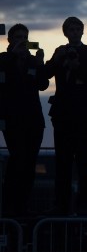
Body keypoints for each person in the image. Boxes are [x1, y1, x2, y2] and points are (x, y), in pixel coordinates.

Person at [44, 17, 87, 215]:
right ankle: (61, 204)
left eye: (78, 29)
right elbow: (45, 74)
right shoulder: (60, 52)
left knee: (86, 161)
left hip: (85, 115)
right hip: (63, 115)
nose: (75, 32)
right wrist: (57, 59)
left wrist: (78, 66)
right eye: (71, 29)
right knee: (63, 162)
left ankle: (85, 204)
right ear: (66, 32)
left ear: (83, 31)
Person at [0, 24, 49, 217]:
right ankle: (9, 204)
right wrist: (14, 55)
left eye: (25, 37)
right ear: (9, 40)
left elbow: (43, 85)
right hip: (12, 119)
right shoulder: (3, 59)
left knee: (29, 163)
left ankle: (22, 205)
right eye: (18, 37)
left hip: (33, 119)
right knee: (17, 158)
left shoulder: (31, 60)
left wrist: (40, 64)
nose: (22, 40)